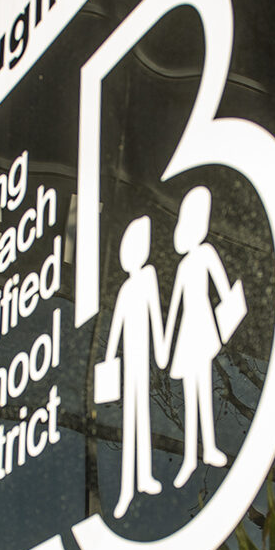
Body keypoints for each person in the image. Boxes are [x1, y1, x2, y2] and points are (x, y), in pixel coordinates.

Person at [163, 186, 241, 487]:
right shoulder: (184, 264)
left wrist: (231, 309)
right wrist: (166, 342)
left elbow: (222, 287)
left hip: (203, 326)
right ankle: (190, 456)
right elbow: (173, 308)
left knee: (205, 388)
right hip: (188, 332)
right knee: (190, 392)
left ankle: (208, 447)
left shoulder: (207, 253)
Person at [99, 215, 171, 518]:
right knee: (131, 421)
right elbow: (116, 324)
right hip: (131, 358)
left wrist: (163, 346)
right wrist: (109, 356)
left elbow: (155, 313)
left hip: (144, 358)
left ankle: (143, 477)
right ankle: (129, 485)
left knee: (142, 416)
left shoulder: (149, 277)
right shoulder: (127, 288)